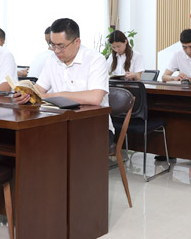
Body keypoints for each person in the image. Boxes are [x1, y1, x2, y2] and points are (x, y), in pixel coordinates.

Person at [12, 18, 115, 153]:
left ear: (77, 42)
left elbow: (95, 98)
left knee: (58, 147)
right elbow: (39, 89)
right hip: (60, 123)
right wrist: (26, 95)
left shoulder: (95, 59)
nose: (56, 51)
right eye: (52, 45)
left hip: (94, 126)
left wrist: (57, 95)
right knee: (27, 141)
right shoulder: (52, 60)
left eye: (61, 46)